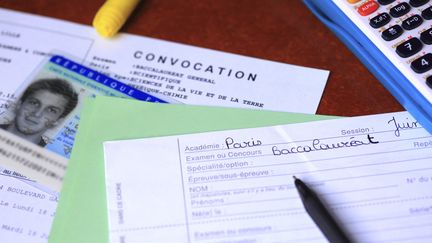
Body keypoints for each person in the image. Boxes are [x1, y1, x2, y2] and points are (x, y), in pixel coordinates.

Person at [0, 78, 78, 147]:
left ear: (57, 121)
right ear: (19, 104)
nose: (37, 114)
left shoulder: (51, 157)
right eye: (34, 103)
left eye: (51, 110)